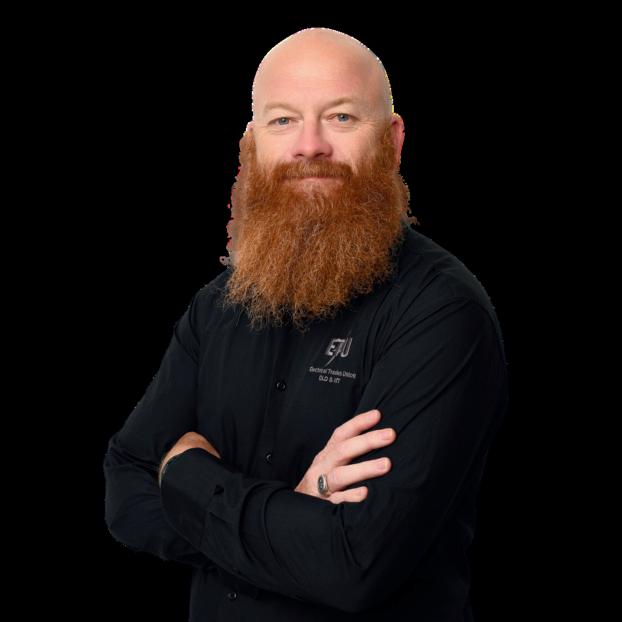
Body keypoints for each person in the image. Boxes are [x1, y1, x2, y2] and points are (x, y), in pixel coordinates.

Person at [103, 27, 508, 622]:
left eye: (341, 117)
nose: (309, 145)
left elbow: (352, 566)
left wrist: (185, 473)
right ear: (252, 146)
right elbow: (123, 491)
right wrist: (293, 513)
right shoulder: (217, 306)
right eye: (283, 120)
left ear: (393, 140)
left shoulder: (443, 314)